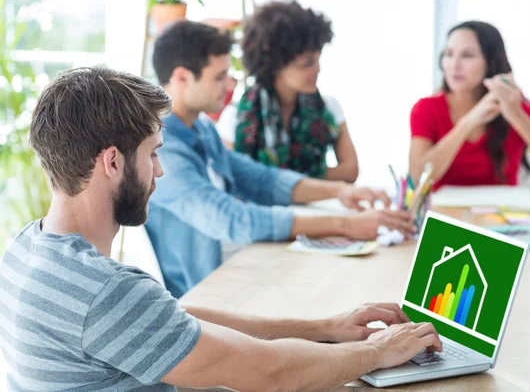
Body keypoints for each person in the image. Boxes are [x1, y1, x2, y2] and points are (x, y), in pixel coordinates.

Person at [0, 66, 442, 391]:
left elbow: (171, 319)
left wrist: (324, 327)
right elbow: (268, 372)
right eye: (152, 153)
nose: (160, 171)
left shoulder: (26, 247)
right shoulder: (103, 292)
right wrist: (378, 352)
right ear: (113, 161)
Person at [148, 20, 415, 299]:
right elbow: (231, 219)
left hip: (236, 265)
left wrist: (340, 191)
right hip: (206, 292)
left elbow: (260, 178)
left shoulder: (199, 128)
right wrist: (346, 224)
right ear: (181, 78)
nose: (229, 84)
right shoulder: (162, 149)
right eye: (219, 77)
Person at [409, 21, 530, 190]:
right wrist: (468, 123)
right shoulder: (426, 109)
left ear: (490, 61)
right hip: (440, 215)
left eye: (467, 55)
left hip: (499, 213)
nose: (454, 65)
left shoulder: (515, 104)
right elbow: (415, 178)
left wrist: (516, 115)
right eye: (449, 54)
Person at [227, 0, 358, 182]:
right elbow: (232, 174)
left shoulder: (328, 107)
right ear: (275, 66)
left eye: (318, 60)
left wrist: (277, 177)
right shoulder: (237, 114)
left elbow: (350, 171)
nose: (317, 69)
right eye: (306, 63)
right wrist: (304, 180)